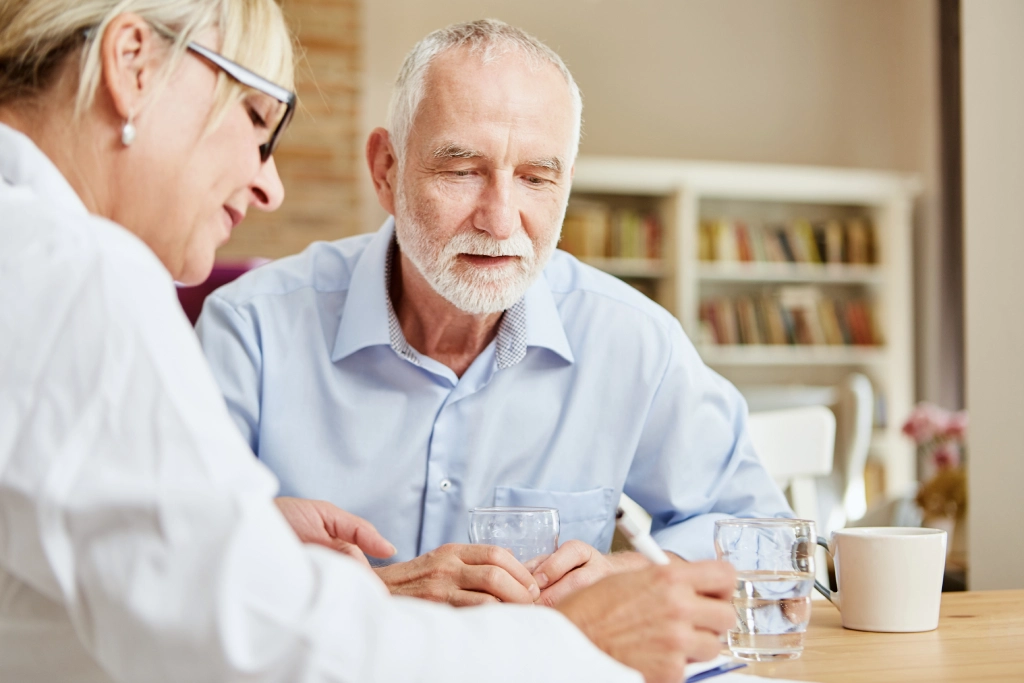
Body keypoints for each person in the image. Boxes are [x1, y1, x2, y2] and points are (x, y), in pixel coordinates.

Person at [0, 2, 738, 682]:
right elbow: (244, 641)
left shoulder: (33, 252)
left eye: (539, 177)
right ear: (133, 64)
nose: (270, 186)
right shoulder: (79, 275)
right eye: (258, 119)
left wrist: (240, 535)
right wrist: (579, 645)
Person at [197, 18, 792, 609]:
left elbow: (766, 537)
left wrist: (624, 574)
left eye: (536, 178)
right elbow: (162, 567)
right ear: (386, 170)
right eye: (462, 171)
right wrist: (373, 595)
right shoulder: (251, 329)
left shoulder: (633, 342)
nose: (501, 220)